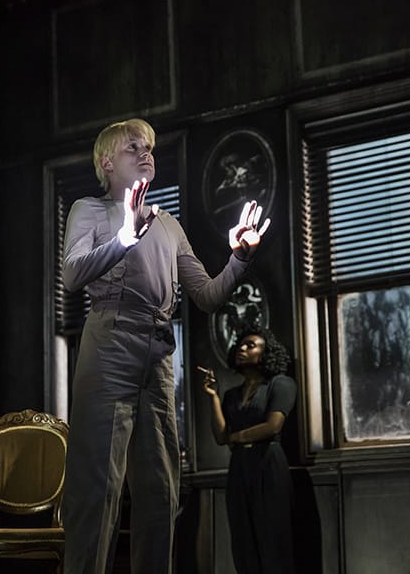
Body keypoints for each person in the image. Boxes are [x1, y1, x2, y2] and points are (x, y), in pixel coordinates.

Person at [61, 117, 271, 574]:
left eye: (150, 146)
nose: (145, 152)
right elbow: (73, 275)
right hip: (109, 344)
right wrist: (124, 237)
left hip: (158, 356)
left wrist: (239, 258)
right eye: (133, 146)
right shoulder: (87, 210)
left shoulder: (169, 224)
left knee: (160, 493)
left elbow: (209, 296)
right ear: (107, 162)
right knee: (96, 494)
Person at [199, 326, 296, 574]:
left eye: (251, 345)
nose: (242, 348)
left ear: (267, 353)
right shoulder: (232, 395)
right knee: (242, 539)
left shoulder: (280, 384)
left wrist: (237, 436)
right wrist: (213, 397)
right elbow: (221, 437)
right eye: (241, 345)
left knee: (271, 537)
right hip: (239, 467)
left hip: (269, 463)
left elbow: (273, 426)